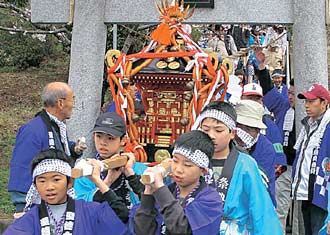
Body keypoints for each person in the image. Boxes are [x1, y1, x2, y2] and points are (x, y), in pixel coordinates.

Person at [196, 100, 282, 234]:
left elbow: (261, 208)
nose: (211, 135)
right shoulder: (193, 159)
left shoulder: (248, 163)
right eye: (206, 129)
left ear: (232, 132)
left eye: (218, 130)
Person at [3, 149, 126, 235]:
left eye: (56, 179)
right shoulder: (29, 220)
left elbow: (124, 218)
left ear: (70, 182)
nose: (49, 187)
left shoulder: (91, 211)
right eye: (42, 181)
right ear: (35, 186)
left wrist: (98, 181)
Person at [8, 82, 87, 214]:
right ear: (60, 103)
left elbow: (58, 151)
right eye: (72, 99)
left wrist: (74, 149)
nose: (73, 104)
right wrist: (23, 203)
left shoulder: (55, 125)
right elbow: (21, 168)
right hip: (34, 203)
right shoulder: (32, 130)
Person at [134, 130, 223, 235]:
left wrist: (160, 188)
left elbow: (182, 230)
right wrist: (148, 192)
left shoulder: (211, 200)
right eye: (175, 161)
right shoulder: (167, 191)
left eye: (187, 165)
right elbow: (142, 231)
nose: (178, 169)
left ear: (203, 170)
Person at [74, 112, 147, 215]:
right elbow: (83, 208)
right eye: (98, 136)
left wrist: (130, 175)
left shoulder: (139, 169)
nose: (103, 142)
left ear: (123, 140)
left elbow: (150, 205)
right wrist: (108, 181)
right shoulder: (85, 171)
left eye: (110, 138)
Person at [291, 84, 330, 235]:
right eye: (306, 101)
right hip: (305, 190)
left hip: (321, 192)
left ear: (324, 103)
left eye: (312, 101)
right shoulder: (308, 124)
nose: (307, 105)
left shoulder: (327, 126)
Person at [234, 99, 277, 206]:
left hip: (259, 203)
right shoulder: (226, 142)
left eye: (248, 129)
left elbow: (256, 184)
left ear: (258, 130)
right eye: (239, 127)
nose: (242, 133)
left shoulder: (266, 148)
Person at [241, 83, 287, 178]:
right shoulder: (232, 123)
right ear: (241, 99)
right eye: (250, 98)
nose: (253, 102)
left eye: (257, 99)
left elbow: (278, 159)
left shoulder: (270, 126)